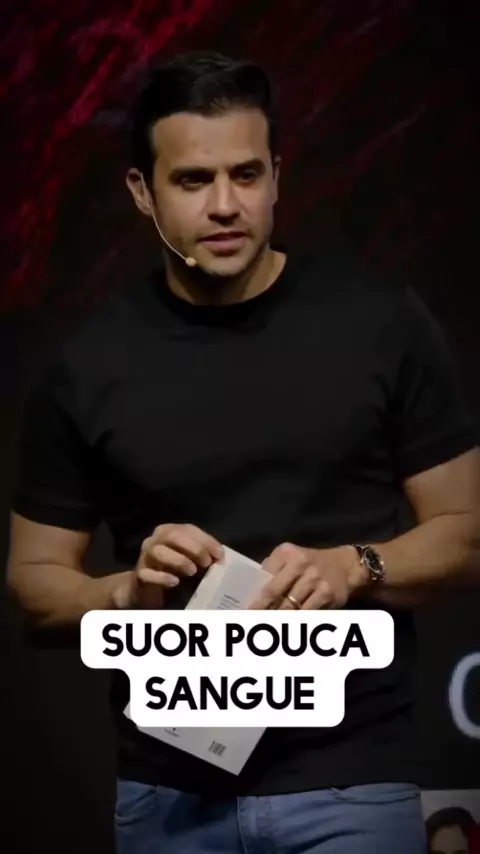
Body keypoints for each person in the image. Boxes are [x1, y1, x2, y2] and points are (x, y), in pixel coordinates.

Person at [7, 49, 479, 854]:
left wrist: (354, 566)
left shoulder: (380, 324)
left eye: (247, 175)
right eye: (194, 180)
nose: (226, 205)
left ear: (277, 177)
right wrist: (126, 592)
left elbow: (466, 536)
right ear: (142, 192)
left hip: (351, 783)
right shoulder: (87, 365)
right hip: (167, 796)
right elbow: (34, 582)